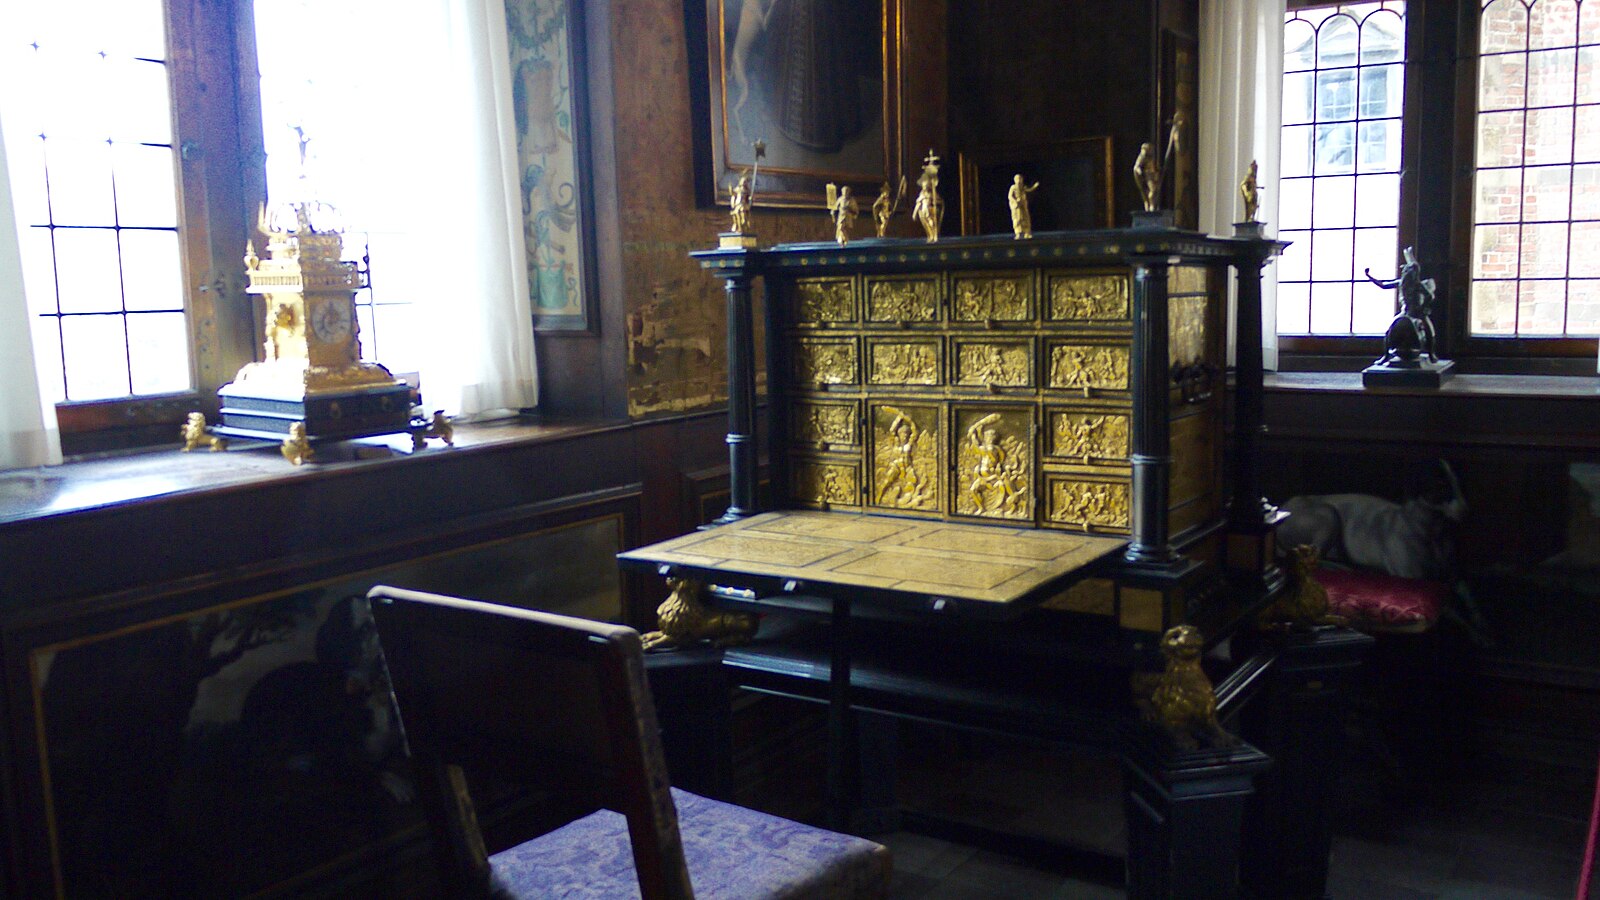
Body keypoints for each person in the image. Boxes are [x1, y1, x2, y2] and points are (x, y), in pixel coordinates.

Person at [1008, 174, 1039, 239]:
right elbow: (1010, 196)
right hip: (1016, 206)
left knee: (1025, 218)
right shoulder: (1013, 187)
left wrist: (1034, 187)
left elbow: (1028, 190)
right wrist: (1015, 201)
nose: (1019, 181)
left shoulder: (1023, 187)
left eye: (1020, 179)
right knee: (1017, 219)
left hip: (1023, 205)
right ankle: (1018, 233)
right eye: (1017, 179)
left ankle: (1027, 233)